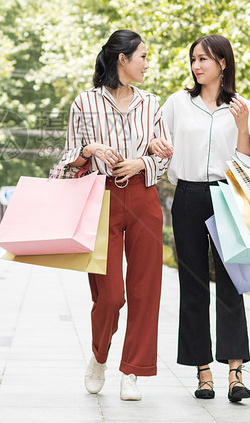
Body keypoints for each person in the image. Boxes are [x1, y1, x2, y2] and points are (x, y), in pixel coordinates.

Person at [149, 34, 250, 402]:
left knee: (232, 284)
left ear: (223, 64)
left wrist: (243, 127)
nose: (197, 66)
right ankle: (203, 373)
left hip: (227, 196)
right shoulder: (177, 103)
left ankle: (235, 373)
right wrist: (156, 146)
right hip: (188, 196)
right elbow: (155, 140)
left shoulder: (241, 107)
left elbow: (247, 163)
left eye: (205, 59)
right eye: (194, 59)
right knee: (194, 286)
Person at [57, 29, 170, 401]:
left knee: (145, 291)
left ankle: (132, 373)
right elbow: (64, 165)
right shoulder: (84, 103)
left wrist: (144, 160)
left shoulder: (152, 104)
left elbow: (163, 158)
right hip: (100, 199)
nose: (147, 64)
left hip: (143, 199)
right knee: (110, 297)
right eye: (143, 57)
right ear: (122, 59)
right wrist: (89, 149)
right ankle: (98, 355)